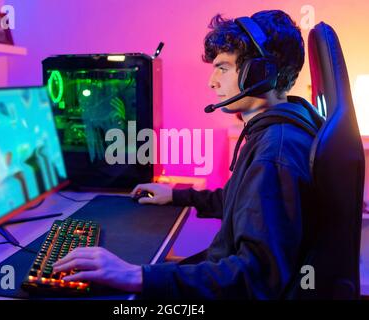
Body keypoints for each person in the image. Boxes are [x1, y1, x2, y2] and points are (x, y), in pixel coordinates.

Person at [53, 9, 323, 299]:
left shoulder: (274, 152)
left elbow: (255, 277)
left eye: (223, 67)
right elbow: (244, 203)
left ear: (260, 72)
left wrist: (135, 276)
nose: (212, 81)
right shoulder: (281, 129)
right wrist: (177, 195)